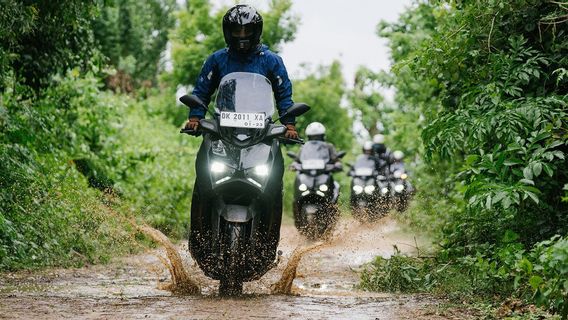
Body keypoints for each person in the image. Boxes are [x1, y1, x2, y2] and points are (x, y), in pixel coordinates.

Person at [183, 4, 298, 139]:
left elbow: (283, 94)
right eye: (237, 30)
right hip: (222, 130)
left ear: (256, 31)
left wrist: (289, 125)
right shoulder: (217, 59)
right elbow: (201, 92)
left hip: (261, 132)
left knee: (275, 154)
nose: (242, 35)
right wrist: (195, 118)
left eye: (247, 30)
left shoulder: (271, 60)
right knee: (205, 151)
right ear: (228, 32)